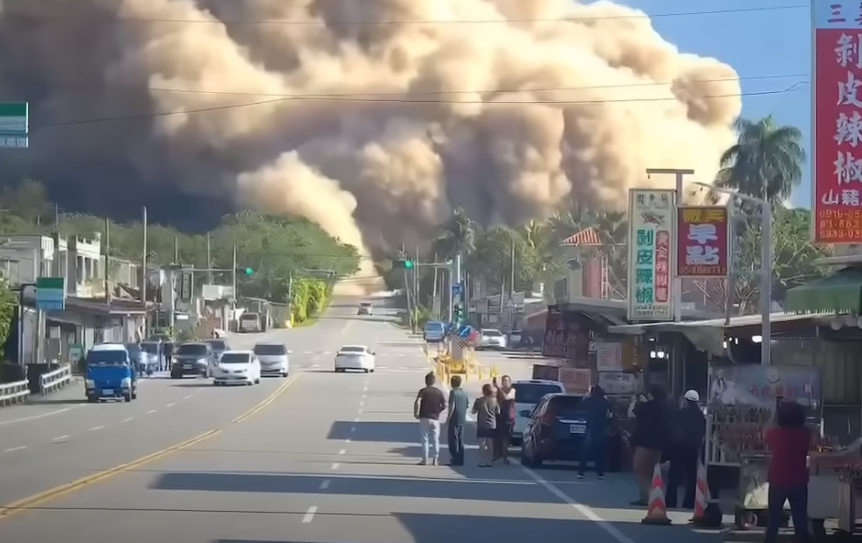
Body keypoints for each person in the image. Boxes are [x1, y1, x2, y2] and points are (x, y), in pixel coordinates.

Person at [763, 400, 811, 543]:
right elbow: (806, 426)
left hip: (778, 480)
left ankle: (770, 540)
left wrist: (774, 414)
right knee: (800, 517)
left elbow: (765, 432)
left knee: (773, 517)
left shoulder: (776, 434)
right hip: (799, 481)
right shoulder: (805, 434)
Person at [628, 384, 669, 506]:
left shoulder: (645, 407)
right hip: (659, 444)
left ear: (650, 394)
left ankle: (646, 497)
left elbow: (631, 414)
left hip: (644, 442)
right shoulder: (665, 407)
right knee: (653, 472)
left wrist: (635, 401)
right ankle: (658, 496)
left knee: (639, 469)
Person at [666, 389, 706, 509]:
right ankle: (689, 502)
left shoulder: (680, 413)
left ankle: (670, 502)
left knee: (674, 475)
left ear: (686, 401)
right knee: (691, 476)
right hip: (693, 448)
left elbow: (672, 429)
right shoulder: (701, 416)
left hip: (678, 448)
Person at [578, 385, 612, 480]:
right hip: (601, 428)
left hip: (591, 427)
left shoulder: (589, 400)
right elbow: (610, 414)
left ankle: (581, 472)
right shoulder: (605, 401)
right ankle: (600, 473)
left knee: (585, 451)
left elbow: (581, 404)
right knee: (600, 451)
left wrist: (587, 395)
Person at [414, 372, 447, 466]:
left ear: (426, 381)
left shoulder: (423, 391)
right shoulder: (438, 392)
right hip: (435, 418)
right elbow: (444, 405)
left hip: (424, 417)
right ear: (434, 381)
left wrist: (416, 412)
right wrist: (438, 411)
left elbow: (418, 402)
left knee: (425, 438)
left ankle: (425, 459)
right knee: (435, 439)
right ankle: (435, 459)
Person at [472, 383, 500, 467]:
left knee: (482, 444)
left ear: (483, 391)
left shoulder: (479, 400)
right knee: (490, 444)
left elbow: (473, 411)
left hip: (482, 424)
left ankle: (482, 461)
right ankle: (490, 461)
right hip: (492, 424)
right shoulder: (495, 400)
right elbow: (498, 412)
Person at [446, 374, 469, 466]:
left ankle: (455, 458)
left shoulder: (453, 392)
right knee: (460, 439)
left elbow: (452, 406)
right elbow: (467, 405)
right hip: (462, 418)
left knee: (453, 439)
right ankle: (461, 458)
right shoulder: (464, 393)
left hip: (454, 418)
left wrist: (448, 418)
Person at [494, 375, 516, 464]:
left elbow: (506, 397)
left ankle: (505, 457)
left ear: (510, 382)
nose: (505, 382)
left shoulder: (512, 390)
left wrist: (499, 389)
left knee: (505, 438)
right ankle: (497, 455)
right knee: (497, 437)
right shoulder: (498, 390)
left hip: (508, 417)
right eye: (504, 380)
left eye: (507, 381)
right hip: (499, 416)